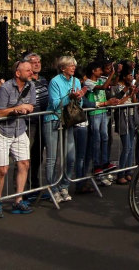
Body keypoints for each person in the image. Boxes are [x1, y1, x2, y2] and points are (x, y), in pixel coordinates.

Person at [0, 61, 36, 218]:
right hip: (3, 131)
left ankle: (18, 200)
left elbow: (31, 105)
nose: (31, 72)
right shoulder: (5, 89)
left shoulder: (31, 86)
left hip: (20, 129)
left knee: (24, 164)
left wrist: (27, 108)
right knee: (2, 169)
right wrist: (16, 109)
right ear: (18, 73)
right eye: (28, 70)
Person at [46, 56, 87, 202]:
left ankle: (64, 185)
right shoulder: (55, 81)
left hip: (68, 121)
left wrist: (79, 96)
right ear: (62, 67)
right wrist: (70, 96)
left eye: (74, 65)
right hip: (54, 120)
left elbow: (78, 102)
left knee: (70, 157)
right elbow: (55, 103)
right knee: (52, 158)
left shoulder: (75, 81)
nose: (73, 67)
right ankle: (53, 188)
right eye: (70, 65)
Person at [24, 53, 49, 194]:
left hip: (42, 121)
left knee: (38, 156)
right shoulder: (25, 81)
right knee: (25, 157)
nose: (37, 64)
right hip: (30, 123)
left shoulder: (43, 80)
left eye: (39, 61)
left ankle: (35, 186)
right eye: (34, 62)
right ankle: (23, 191)